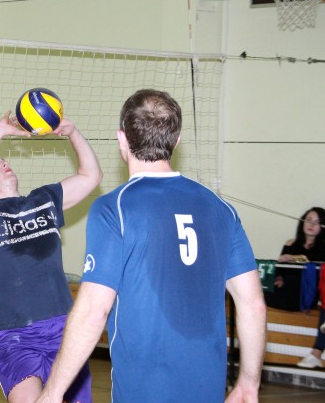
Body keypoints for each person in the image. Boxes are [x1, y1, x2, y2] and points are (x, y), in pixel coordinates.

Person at [35, 89, 267, 403]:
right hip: (208, 388)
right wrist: (249, 383)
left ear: (121, 138)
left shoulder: (115, 208)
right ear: (176, 141)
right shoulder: (222, 209)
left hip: (144, 389)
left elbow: (93, 310)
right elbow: (252, 304)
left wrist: (52, 393)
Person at [0, 111, 102, 402]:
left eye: (2, 160)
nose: (3, 163)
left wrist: (73, 134)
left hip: (64, 330)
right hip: (14, 336)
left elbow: (91, 176)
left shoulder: (44, 200)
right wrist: (0, 130)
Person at [272, 207, 325, 369]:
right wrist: (279, 277)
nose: (311, 224)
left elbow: (317, 263)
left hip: (305, 295)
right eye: (308, 220)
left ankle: (316, 353)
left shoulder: (322, 247)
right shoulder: (291, 243)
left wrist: (295, 259)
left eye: (317, 222)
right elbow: (279, 270)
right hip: (285, 290)